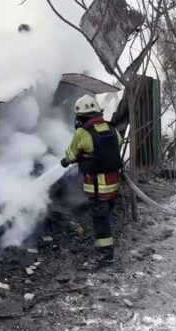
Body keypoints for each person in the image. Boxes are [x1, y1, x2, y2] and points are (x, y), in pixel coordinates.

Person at [60, 95, 123, 270]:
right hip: (113, 185)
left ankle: (105, 260)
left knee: (101, 224)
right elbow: (116, 146)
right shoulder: (112, 129)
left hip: (97, 188)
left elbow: (71, 155)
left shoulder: (83, 132)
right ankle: (106, 252)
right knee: (105, 219)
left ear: (80, 115)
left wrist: (66, 160)